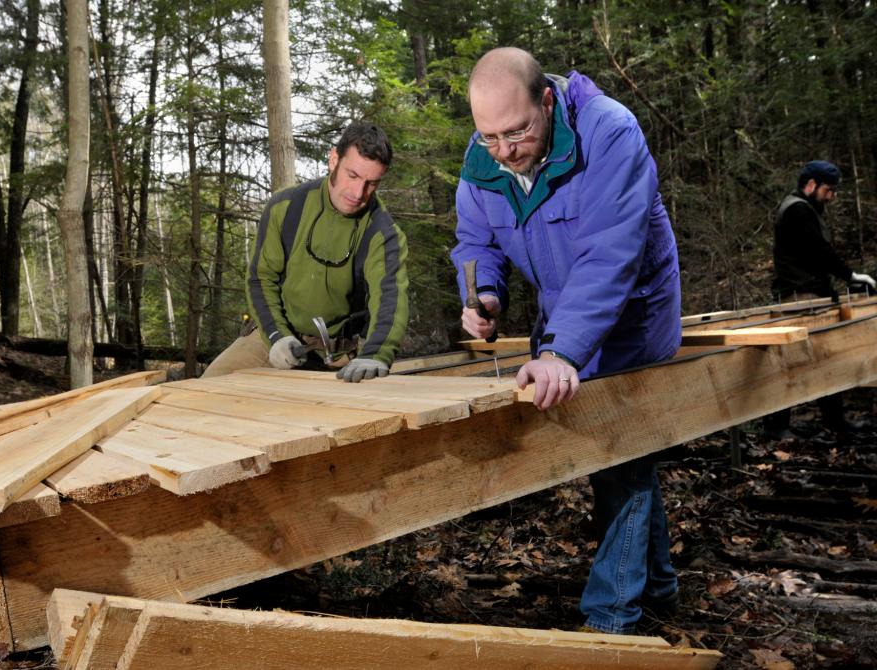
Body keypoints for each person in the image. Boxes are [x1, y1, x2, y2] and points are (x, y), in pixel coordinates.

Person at [452, 47, 681, 634]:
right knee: (631, 454)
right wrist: (486, 296)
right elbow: (476, 241)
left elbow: (610, 255)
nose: (504, 151)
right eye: (489, 138)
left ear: (547, 101)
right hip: (568, 311)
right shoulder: (484, 156)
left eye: (517, 132)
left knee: (619, 447)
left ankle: (611, 618)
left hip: (633, 307)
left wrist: (560, 350)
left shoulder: (609, 131)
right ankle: (660, 586)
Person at [202, 122, 409, 383]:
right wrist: (277, 336)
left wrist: (376, 353)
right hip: (274, 338)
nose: (359, 193)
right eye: (353, 176)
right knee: (210, 386)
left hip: (340, 353)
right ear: (334, 160)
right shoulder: (285, 207)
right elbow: (260, 279)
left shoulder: (383, 232)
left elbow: (390, 298)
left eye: (371, 184)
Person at [764, 160, 875, 439]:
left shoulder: (805, 209)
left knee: (826, 356)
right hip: (801, 296)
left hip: (811, 293)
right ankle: (776, 427)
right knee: (794, 359)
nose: (832, 196)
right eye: (829, 189)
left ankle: (835, 421)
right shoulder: (798, 210)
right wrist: (850, 275)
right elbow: (819, 251)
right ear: (811, 184)